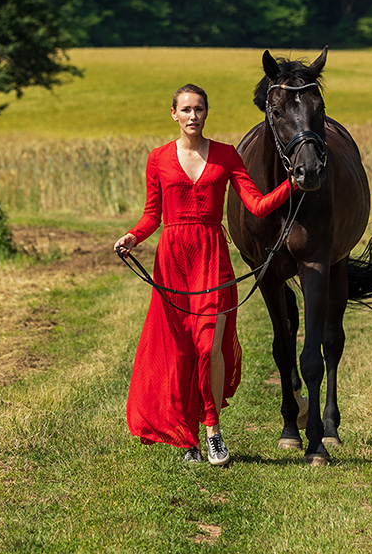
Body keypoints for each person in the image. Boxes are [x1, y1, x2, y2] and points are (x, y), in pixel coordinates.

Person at [113, 83, 292, 466]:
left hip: (212, 257)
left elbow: (257, 206)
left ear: (206, 113)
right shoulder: (158, 158)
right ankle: (186, 437)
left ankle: (213, 430)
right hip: (173, 259)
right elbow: (152, 216)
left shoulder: (227, 155)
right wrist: (132, 236)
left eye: (199, 109)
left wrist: (291, 185)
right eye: (186, 109)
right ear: (174, 114)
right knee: (180, 350)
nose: (193, 116)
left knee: (209, 345)